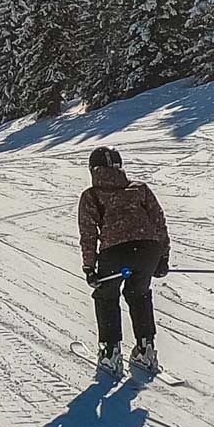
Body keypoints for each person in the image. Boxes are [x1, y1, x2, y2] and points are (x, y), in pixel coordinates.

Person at [78, 146, 170, 380]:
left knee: (106, 295)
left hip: (115, 252)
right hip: (148, 249)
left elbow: (88, 233)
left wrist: (90, 268)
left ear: (93, 170)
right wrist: (162, 257)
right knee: (139, 293)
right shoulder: (139, 189)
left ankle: (110, 352)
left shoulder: (92, 195)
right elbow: (158, 221)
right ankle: (145, 349)